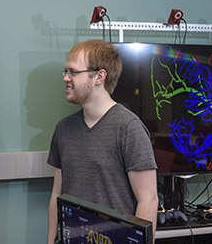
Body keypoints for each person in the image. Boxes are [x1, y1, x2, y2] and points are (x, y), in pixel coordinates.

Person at [46, 39, 158, 243]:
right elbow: (57, 193)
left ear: (99, 76)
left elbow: (148, 200)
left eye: (73, 72)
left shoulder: (128, 128)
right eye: (65, 71)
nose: (65, 78)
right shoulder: (63, 129)